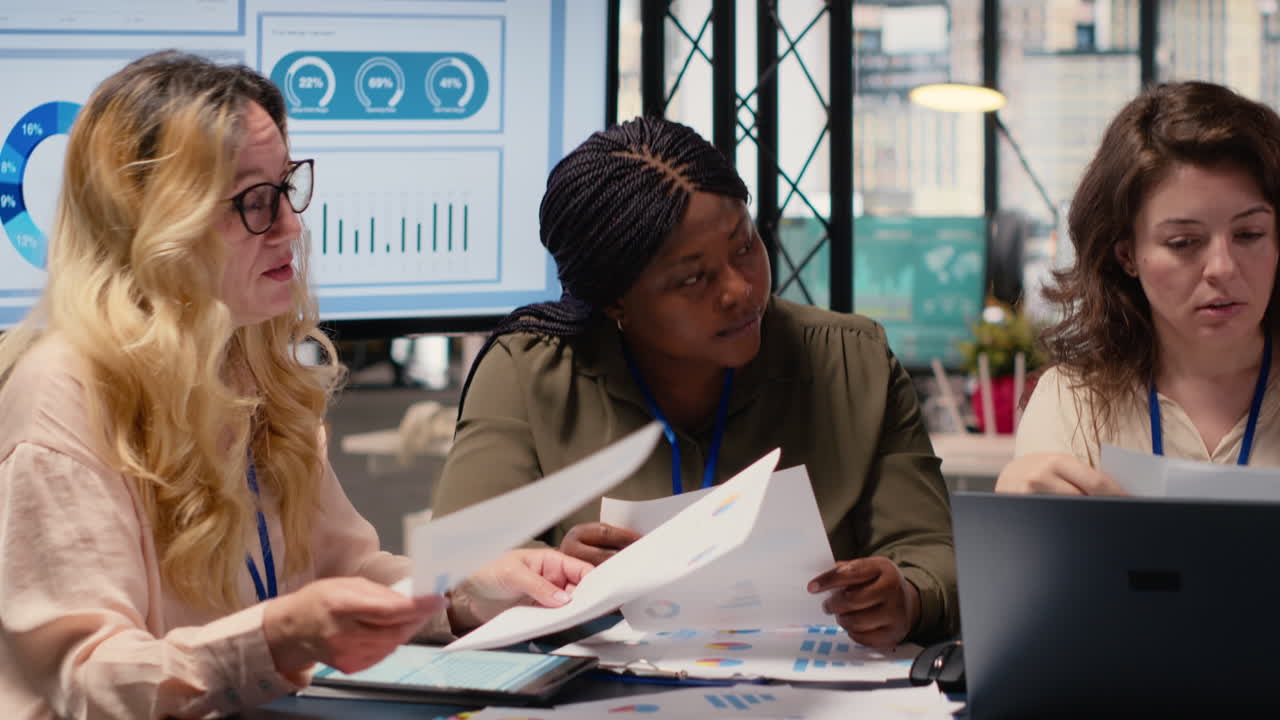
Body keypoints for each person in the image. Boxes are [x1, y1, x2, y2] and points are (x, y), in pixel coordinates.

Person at [0, 51, 591, 718]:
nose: (289, 226)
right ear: (153, 225)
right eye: (253, 202)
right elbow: (84, 680)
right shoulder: (64, 392)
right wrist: (274, 638)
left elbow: (343, 572)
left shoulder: (247, 357)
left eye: (286, 188)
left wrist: (458, 594)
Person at [432, 116, 957, 649]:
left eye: (745, 245)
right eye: (692, 278)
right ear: (615, 300)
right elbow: (460, 572)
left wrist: (908, 598)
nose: (740, 289)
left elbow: (935, 554)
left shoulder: (852, 362)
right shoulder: (529, 370)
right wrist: (555, 577)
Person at [999, 80, 1280, 495]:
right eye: (1184, 242)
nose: (1222, 267)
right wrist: (1020, 527)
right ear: (1126, 255)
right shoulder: (1073, 403)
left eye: (1250, 234)